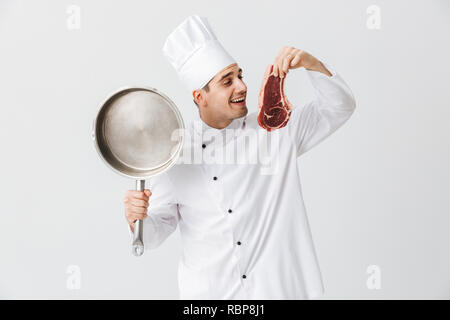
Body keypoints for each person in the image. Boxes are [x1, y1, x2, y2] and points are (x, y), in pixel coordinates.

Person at [123, 15, 356, 299]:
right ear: (200, 96)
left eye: (240, 75)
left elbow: (339, 107)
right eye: (227, 81)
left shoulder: (276, 129)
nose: (242, 86)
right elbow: (153, 234)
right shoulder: (176, 156)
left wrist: (311, 64)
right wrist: (138, 219)